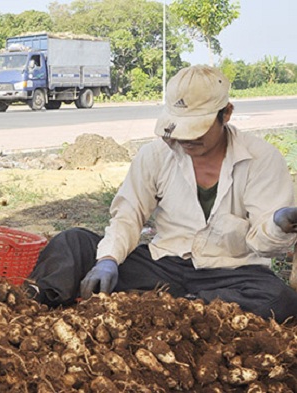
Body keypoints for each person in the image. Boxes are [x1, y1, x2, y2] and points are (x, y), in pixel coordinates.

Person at [27, 65, 297, 323]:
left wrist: (277, 224)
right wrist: (108, 260)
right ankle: (32, 309)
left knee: (280, 299)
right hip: (162, 265)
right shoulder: (155, 155)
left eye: (197, 129)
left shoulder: (262, 159)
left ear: (226, 114)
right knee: (74, 243)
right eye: (180, 128)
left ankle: (171, 308)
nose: (186, 139)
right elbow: (129, 214)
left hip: (231, 274)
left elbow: (264, 245)